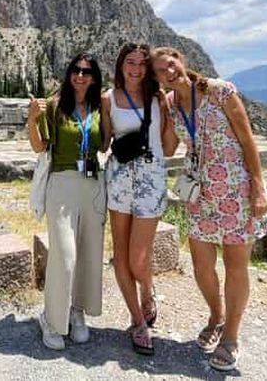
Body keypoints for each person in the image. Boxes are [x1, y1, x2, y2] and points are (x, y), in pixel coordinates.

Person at [151, 47, 267, 372]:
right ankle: (216, 315)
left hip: (236, 190)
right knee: (201, 265)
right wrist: (162, 114)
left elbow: (247, 139)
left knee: (236, 266)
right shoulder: (171, 104)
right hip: (201, 194)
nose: (169, 72)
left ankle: (231, 337)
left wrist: (258, 186)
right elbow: (168, 149)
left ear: (181, 61)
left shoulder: (219, 91)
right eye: (161, 71)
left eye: (171, 64)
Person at [101, 43, 177, 355]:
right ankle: (137, 320)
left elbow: (169, 148)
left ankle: (147, 289)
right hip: (119, 180)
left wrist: (170, 117)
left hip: (151, 180)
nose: (135, 69)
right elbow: (104, 142)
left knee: (138, 257)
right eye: (130, 62)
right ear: (121, 65)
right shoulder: (108, 99)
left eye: (141, 63)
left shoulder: (158, 98)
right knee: (120, 254)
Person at [27, 53, 106, 350]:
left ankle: (77, 311)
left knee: (89, 253)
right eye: (76, 70)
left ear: (95, 78)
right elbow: (39, 146)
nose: (80, 75)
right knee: (65, 254)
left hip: (93, 185)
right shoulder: (54, 105)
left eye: (87, 71)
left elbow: (104, 144)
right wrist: (32, 119)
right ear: (69, 73)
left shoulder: (99, 107)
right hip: (62, 184)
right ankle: (50, 318)